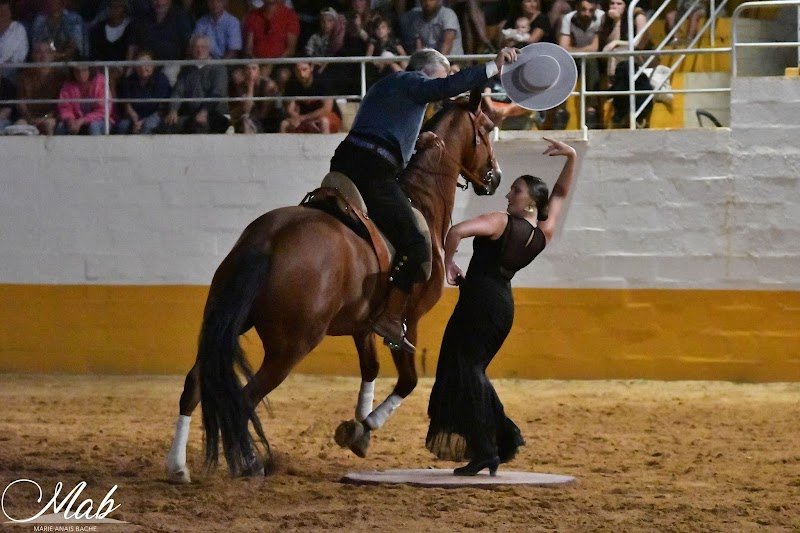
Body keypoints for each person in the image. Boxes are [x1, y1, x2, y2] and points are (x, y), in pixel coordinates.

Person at [328, 47, 520, 353]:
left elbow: (382, 127)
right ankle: (391, 317)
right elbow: (445, 87)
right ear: (427, 72)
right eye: (441, 76)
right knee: (417, 243)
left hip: (344, 164)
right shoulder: (413, 81)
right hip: (373, 171)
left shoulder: (386, 87)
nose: (441, 88)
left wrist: (416, 142)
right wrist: (492, 67)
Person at [426, 137, 578, 476]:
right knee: (470, 371)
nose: (508, 195)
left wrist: (448, 264)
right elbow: (559, 194)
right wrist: (571, 157)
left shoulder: (500, 221)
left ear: (530, 202)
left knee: (464, 371)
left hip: (478, 302)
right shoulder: (542, 233)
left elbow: (456, 231)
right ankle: (493, 442)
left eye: (516, 191)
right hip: (501, 306)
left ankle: (488, 447)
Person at [162, 34, 229, 133]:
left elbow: (217, 92)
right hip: (191, 115)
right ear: (191, 49)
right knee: (166, 125)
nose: (199, 50)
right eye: (196, 47)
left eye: (203, 47)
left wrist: (204, 111)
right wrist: (173, 110)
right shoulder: (186, 69)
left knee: (198, 126)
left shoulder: (218, 68)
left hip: (214, 114)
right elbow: (178, 92)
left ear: (209, 49)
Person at [556, 0, 604, 128]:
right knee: (562, 63)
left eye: (591, 10)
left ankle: (591, 110)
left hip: (595, 60)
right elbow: (563, 47)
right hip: (574, 58)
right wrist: (582, 51)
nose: (587, 13)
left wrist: (574, 49)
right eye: (584, 9)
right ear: (577, 7)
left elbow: (594, 48)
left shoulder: (601, 17)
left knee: (590, 61)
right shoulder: (568, 18)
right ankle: (561, 111)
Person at [128, 0, 194, 85]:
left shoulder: (181, 17)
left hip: (171, 64)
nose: (159, 3)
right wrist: (129, 67)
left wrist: (187, 68)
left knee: (169, 74)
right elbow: (133, 45)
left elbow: (189, 45)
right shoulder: (143, 18)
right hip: (146, 63)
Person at [242, 0, 299, 86]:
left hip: (280, 62)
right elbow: (248, 48)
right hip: (256, 61)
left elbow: (290, 50)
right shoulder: (252, 16)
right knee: (239, 76)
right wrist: (257, 65)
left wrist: (271, 64)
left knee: (283, 75)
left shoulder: (290, 15)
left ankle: (278, 94)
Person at [15, 40, 65, 135]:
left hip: (51, 118)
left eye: (47, 52)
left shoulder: (61, 77)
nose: (43, 55)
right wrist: (31, 118)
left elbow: (61, 105)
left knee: (49, 124)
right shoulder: (24, 76)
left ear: (53, 55)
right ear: (33, 55)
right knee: (19, 125)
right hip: (29, 118)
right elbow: (21, 102)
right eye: (38, 52)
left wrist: (45, 118)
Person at [115, 48, 171, 133]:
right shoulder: (129, 80)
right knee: (122, 126)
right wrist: (134, 118)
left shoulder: (161, 79)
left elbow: (157, 105)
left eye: (146, 64)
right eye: (139, 65)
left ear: (153, 65)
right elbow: (127, 103)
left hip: (156, 113)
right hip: (135, 115)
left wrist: (141, 121)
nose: (143, 68)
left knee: (147, 126)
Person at [279, 60, 340, 133]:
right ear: (294, 71)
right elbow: (290, 109)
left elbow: (327, 109)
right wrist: (299, 119)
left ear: (311, 67)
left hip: (326, 116)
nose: (302, 74)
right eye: (298, 71)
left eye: (304, 69)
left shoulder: (323, 81)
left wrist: (304, 118)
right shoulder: (292, 84)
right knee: (284, 124)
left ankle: (325, 141)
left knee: (323, 121)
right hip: (303, 118)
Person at [56, 64, 114, 135]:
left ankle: (97, 143)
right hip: (76, 121)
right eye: (77, 71)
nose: (81, 74)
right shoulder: (68, 86)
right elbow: (65, 107)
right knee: (61, 127)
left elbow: (103, 110)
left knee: (94, 126)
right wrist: (70, 120)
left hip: (100, 120)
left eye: (84, 70)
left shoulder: (100, 82)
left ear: (90, 70)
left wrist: (82, 121)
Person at [229, 59, 281, 133]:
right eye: (248, 69)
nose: (250, 72)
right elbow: (246, 109)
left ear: (259, 71)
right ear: (244, 72)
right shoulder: (241, 86)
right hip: (249, 118)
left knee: (248, 122)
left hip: (267, 119)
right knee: (245, 120)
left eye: (254, 69)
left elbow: (263, 113)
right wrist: (250, 86)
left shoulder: (268, 85)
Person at [0, 0, 29, 80]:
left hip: (10, 75)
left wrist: (3, 68)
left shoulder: (18, 29)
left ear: (10, 12)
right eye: (0, 11)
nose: (3, 14)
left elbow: (20, 56)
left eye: (5, 11)